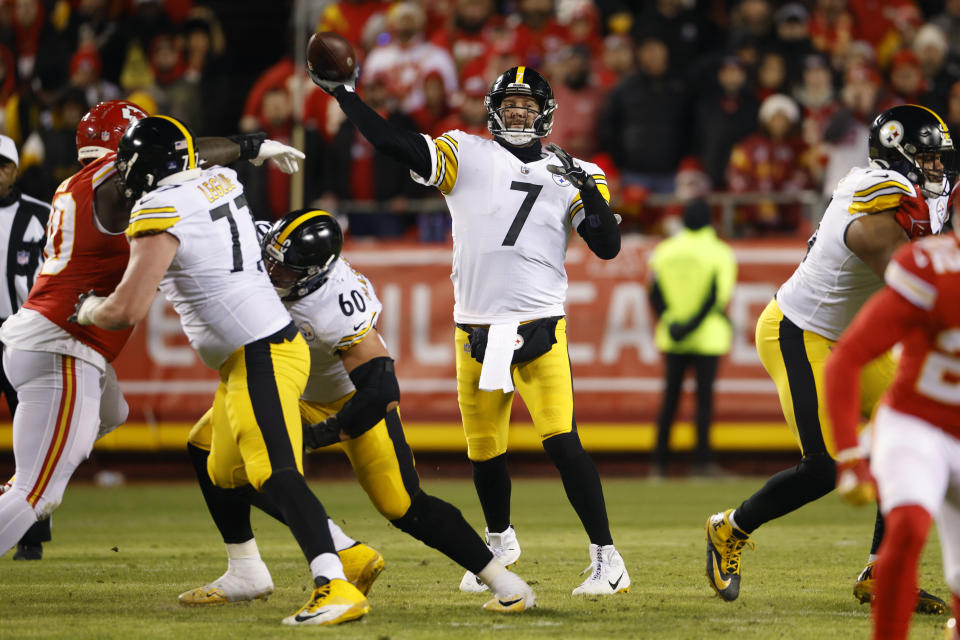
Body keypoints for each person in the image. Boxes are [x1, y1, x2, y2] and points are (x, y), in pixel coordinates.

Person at [311, 62, 630, 595]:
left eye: (529, 107)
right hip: (476, 327)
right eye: (511, 106)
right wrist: (346, 95)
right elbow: (396, 144)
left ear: (546, 115)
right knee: (483, 451)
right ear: (494, 113)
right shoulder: (465, 152)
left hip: (538, 324)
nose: (519, 115)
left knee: (562, 442)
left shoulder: (575, 170)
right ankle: (499, 542)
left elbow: (607, 246)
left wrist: (585, 188)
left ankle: (608, 558)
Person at [71, 116, 365, 626]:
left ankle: (336, 583)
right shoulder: (219, 179)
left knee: (275, 472)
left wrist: (86, 307)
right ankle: (247, 571)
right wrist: (253, 148)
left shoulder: (157, 208)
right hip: (253, 351)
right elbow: (206, 156)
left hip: (261, 351)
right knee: (210, 454)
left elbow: (126, 309)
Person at [179, 210, 537, 613]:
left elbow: (382, 390)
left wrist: (324, 433)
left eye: (284, 270)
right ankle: (248, 569)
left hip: (342, 402)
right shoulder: (257, 239)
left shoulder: (335, 300)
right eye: (270, 260)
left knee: (403, 506)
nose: (270, 272)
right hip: (278, 388)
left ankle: (507, 583)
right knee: (207, 449)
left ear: (313, 273)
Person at [0, 101, 306, 562]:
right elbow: (185, 154)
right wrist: (249, 146)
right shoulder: (115, 181)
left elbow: (179, 156)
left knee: (111, 413)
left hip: (59, 341)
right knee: (37, 493)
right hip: (64, 343)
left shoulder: (79, 183)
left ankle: (42, 456)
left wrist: (251, 147)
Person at [704, 104, 950, 613]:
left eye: (939, 159)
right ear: (899, 158)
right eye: (927, 159)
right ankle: (729, 528)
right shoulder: (875, 212)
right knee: (826, 467)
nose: (938, 170)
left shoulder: (902, 197)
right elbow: (907, 285)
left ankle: (882, 572)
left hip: (851, 337)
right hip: (799, 333)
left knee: (911, 435)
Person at [824, 206, 960, 640]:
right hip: (917, 424)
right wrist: (848, 455)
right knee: (907, 531)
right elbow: (846, 358)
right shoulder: (932, 268)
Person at [648, 200, 737, 477]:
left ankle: (659, 464)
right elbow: (716, 298)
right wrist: (692, 326)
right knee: (704, 401)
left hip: (672, 335)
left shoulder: (664, 251)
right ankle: (702, 463)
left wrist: (672, 323)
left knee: (670, 399)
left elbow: (654, 291)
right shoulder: (721, 252)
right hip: (708, 337)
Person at [0, 135, 51, 560]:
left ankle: (32, 535)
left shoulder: (42, 215)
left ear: (16, 170)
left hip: (24, 330)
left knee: (31, 432)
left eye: (3, 165)